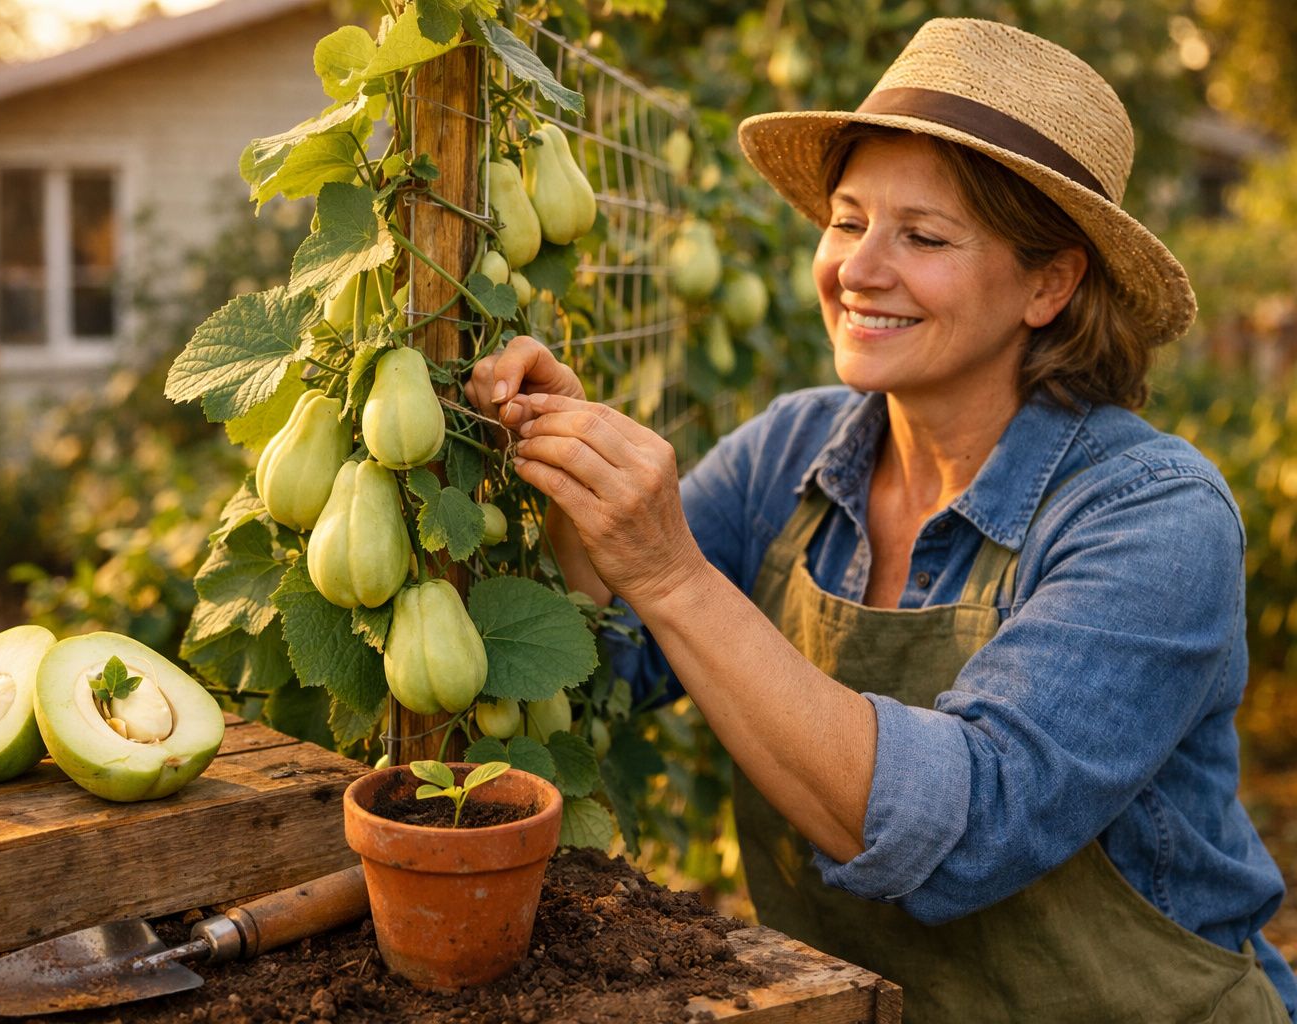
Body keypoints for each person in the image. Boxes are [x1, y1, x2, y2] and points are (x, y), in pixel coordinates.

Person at [464, 17, 1297, 1023]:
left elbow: (970, 829)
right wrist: (566, 481)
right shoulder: (791, 450)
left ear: (1050, 283)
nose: (858, 269)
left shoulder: (1151, 515)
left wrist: (672, 572)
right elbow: (611, 662)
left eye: (924, 236)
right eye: (848, 221)